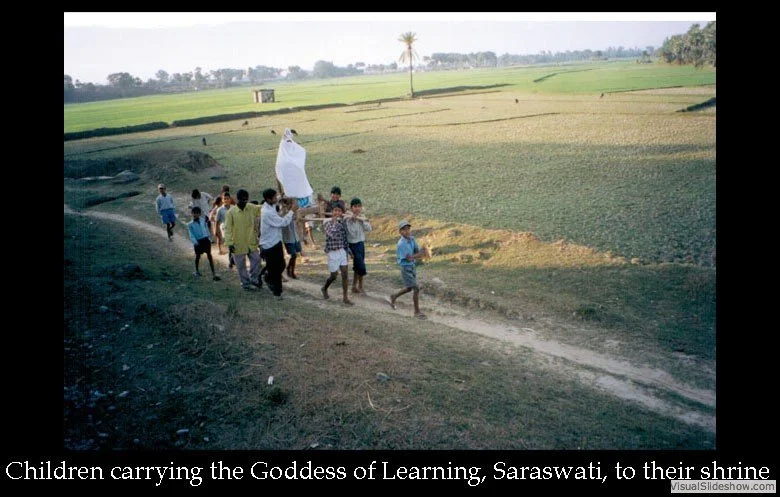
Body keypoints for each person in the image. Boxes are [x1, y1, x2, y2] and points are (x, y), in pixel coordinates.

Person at [259, 188, 296, 299]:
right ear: (268, 199)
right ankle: (277, 292)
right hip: (269, 244)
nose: (276, 199)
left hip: (275, 241)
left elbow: (277, 200)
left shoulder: (269, 206)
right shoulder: (267, 212)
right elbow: (283, 222)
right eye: (274, 197)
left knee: (281, 265)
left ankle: (266, 277)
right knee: (275, 269)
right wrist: (292, 211)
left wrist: (282, 195)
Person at [223, 189, 263, 291]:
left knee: (257, 260)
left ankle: (254, 279)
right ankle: (245, 283)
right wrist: (229, 243)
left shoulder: (251, 207)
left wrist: (278, 203)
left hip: (250, 241)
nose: (244, 202)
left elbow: (262, 208)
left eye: (246, 200)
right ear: (237, 199)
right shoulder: (231, 212)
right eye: (242, 200)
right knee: (241, 265)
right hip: (237, 243)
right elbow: (227, 229)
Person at [388, 220, 426, 319]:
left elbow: (416, 253)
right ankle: (416, 312)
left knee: (409, 288)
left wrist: (420, 254)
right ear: (400, 232)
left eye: (408, 229)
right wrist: (422, 253)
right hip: (406, 268)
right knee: (416, 288)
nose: (407, 231)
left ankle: (394, 296)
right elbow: (410, 257)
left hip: (412, 267)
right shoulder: (401, 244)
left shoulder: (412, 239)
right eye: (404, 229)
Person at [320, 202, 353, 305]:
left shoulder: (342, 223)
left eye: (339, 211)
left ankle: (345, 297)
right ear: (332, 212)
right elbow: (332, 234)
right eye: (335, 210)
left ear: (341, 212)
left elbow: (344, 239)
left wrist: (349, 251)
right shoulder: (327, 222)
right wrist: (334, 223)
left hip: (342, 251)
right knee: (334, 275)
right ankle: (324, 288)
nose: (337, 213)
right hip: (332, 252)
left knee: (345, 274)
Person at [344, 197, 372, 295]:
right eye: (355, 206)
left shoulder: (362, 217)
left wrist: (361, 221)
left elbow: (369, 228)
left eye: (359, 206)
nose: (357, 208)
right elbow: (351, 233)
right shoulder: (347, 219)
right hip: (352, 244)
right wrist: (353, 220)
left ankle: (354, 286)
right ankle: (361, 287)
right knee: (360, 266)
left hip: (360, 244)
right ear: (351, 208)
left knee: (357, 266)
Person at [187, 206, 221, 281]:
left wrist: (209, 238)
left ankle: (214, 273)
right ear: (191, 214)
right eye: (194, 213)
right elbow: (191, 234)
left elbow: (206, 229)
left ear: (199, 214)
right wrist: (195, 242)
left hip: (206, 240)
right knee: (198, 256)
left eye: (197, 213)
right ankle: (197, 270)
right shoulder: (190, 224)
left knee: (209, 256)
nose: (195, 215)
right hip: (198, 242)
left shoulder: (203, 221)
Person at [282, 208, 303, 279]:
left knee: (296, 255)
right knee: (293, 255)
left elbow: (296, 219)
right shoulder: (282, 212)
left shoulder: (293, 211)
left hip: (295, 236)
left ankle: (290, 269)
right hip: (288, 237)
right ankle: (291, 271)